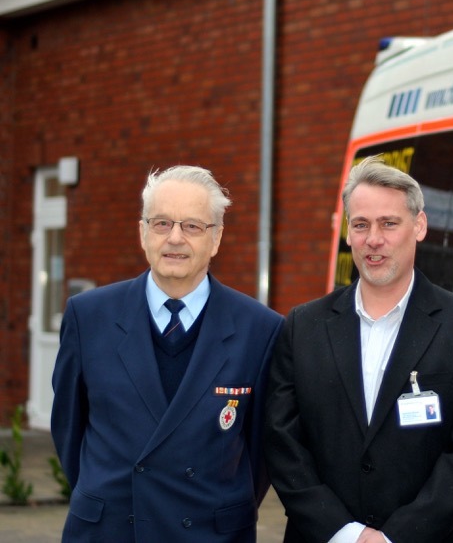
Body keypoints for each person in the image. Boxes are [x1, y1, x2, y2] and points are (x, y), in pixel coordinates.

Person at [264, 155, 453, 543]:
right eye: (361, 225)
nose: (374, 239)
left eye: (389, 223)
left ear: (419, 226)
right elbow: (284, 443)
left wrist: (395, 538)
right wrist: (346, 534)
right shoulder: (303, 326)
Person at [51, 165, 284, 542]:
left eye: (192, 226)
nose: (175, 238)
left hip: (210, 533)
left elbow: (261, 453)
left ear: (217, 238)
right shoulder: (88, 316)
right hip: (110, 530)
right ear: (143, 232)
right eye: (161, 224)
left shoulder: (262, 329)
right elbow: (68, 428)